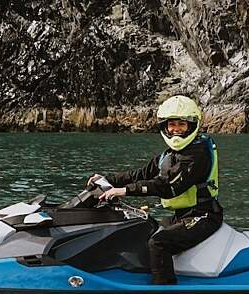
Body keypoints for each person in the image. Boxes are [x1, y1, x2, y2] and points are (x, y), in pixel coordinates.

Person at [93, 94, 222, 284]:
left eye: (181, 124)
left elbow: (169, 186)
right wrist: (108, 179)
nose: (176, 130)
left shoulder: (197, 154)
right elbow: (142, 174)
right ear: (165, 127)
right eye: (172, 125)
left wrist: (124, 191)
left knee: (159, 242)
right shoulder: (169, 155)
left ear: (191, 126)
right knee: (143, 231)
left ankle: (164, 292)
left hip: (203, 215)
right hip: (183, 215)